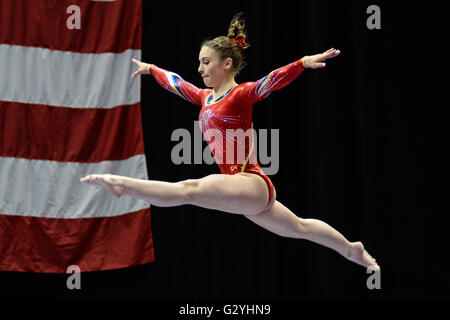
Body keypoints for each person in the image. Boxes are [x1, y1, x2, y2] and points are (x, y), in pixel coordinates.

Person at [81, 13, 379, 272]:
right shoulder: (204, 97)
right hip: (245, 191)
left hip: (250, 181)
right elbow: (176, 83)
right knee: (299, 227)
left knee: (190, 190)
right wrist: (152, 70)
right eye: (199, 62)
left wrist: (301, 63)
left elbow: (270, 81)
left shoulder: (241, 94)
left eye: (206, 62)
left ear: (227, 64)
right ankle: (352, 248)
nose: (200, 69)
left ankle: (122, 185)